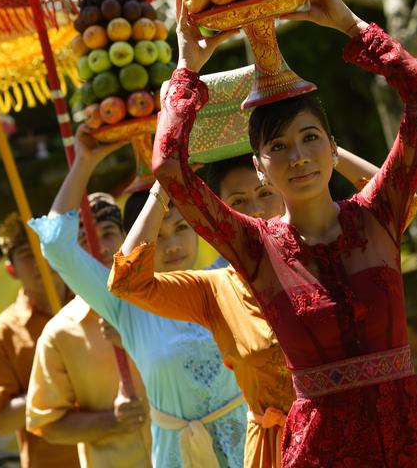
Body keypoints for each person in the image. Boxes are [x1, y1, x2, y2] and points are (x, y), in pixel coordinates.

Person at [150, 0, 417, 466]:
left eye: (310, 137)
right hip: (325, 450)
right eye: (277, 146)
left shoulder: (381, 212)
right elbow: (169, 167)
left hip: (413, 439)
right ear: (259, 166)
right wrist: (186, 69)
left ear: (333, 148)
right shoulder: (253, 245)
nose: (297, 156)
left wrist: (349, 24)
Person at [108, 149, 388, 468]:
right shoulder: (214, 289)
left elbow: (390, 202)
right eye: (238, 202)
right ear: (218, 214)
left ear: (284, 194)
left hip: (354, 437)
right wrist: (163, 188)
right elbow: (127, 281)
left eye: (265, 193)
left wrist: (318, 147)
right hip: (275, 452)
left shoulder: (329, 254)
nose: (256, 210)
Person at [28, 134, 246, 468]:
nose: (172, 244)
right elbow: (57, 245)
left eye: (181, 228)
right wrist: (85, 161)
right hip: (178, 456)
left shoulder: (228, 276)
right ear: (137, 239)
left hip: (251, 448)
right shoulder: (126, 303)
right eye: (157, 235)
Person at [25, 193, 152, 468]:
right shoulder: (60, 334)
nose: (101, 249)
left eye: (108, 233)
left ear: (126, 234)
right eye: (85, 240)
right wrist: (113, 420)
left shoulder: (168, 300)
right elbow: (46, 423)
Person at [0, 213, 79, 468]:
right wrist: (55, 383)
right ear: (11, 270)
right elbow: (0, 421)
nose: (41, 261)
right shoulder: (2, 334)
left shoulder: (96, 303)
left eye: (44, 247)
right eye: (27, 254)